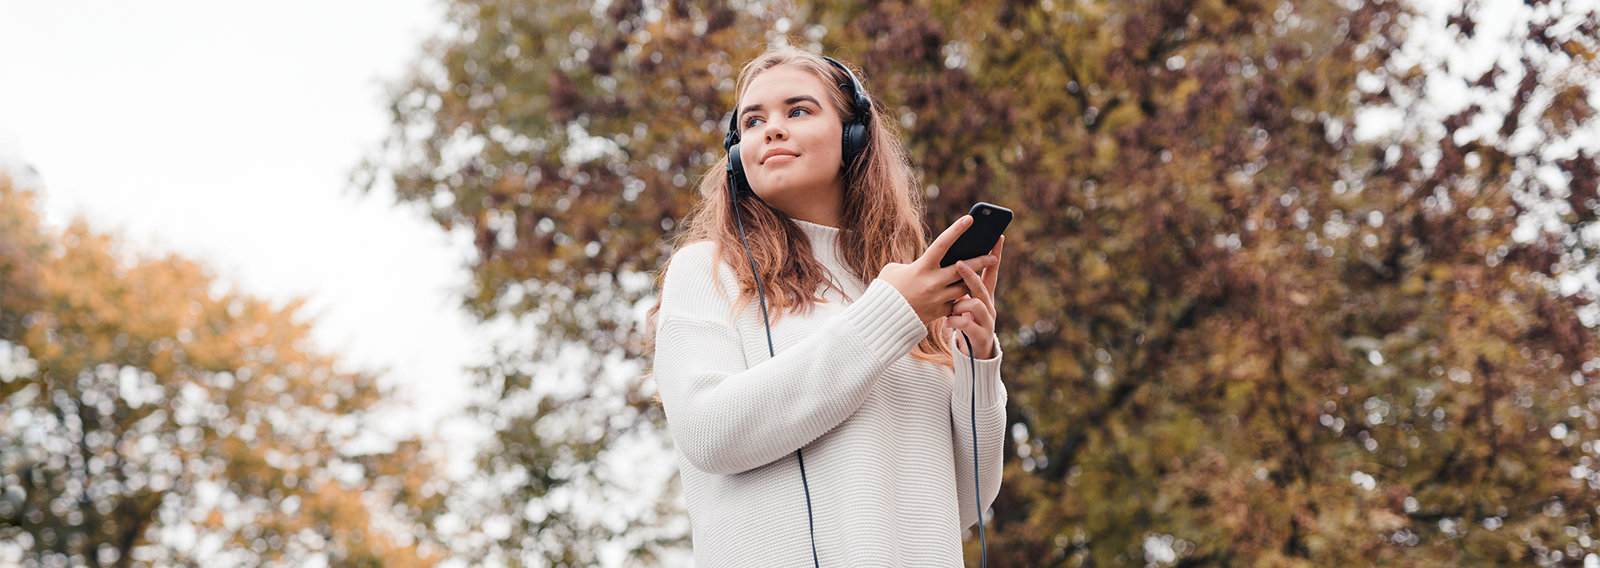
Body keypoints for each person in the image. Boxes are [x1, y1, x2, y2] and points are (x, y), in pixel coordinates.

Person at [650, 46, 1006, 566]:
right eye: (753, 121)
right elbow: (709, 432)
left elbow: (965, 499)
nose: (771, 129)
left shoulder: (905, 292)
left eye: (797, 110)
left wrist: (978, 362)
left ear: (853, 135)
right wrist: (891, 315)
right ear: (735, 152)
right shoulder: (707, 270)